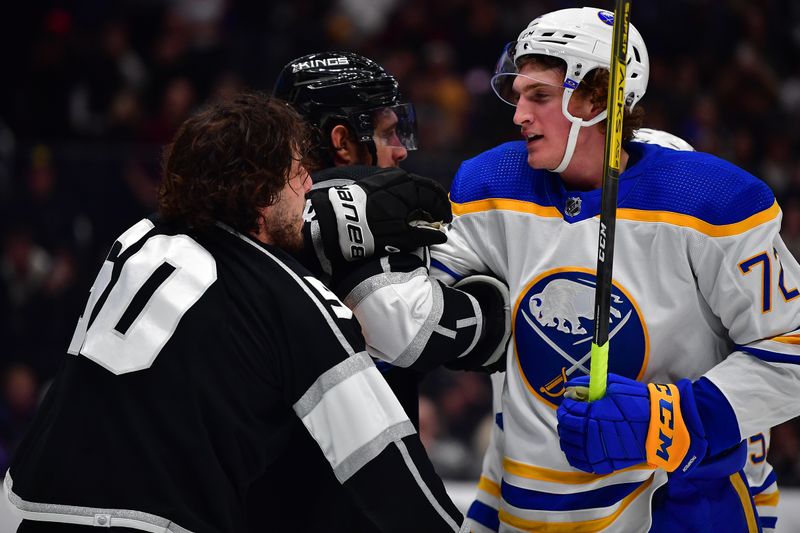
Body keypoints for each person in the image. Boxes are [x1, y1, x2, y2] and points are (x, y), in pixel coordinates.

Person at [318, 6, 796, 532]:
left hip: (681, 508)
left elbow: (790, 353)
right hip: (528, 503)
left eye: (540, 97)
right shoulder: (491, 185)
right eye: (519, 95)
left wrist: (676, 418)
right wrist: (362, 259)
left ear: (599, 99)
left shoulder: (711, 201)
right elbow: (418, 318)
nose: (519, 114)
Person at [4, 92, 464, 533]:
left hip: (20, 501)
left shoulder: (133, 242)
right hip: (144, 521)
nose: (310, 185)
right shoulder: (289, 297)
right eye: (298, 172)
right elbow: (381, 462)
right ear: (260, 191)